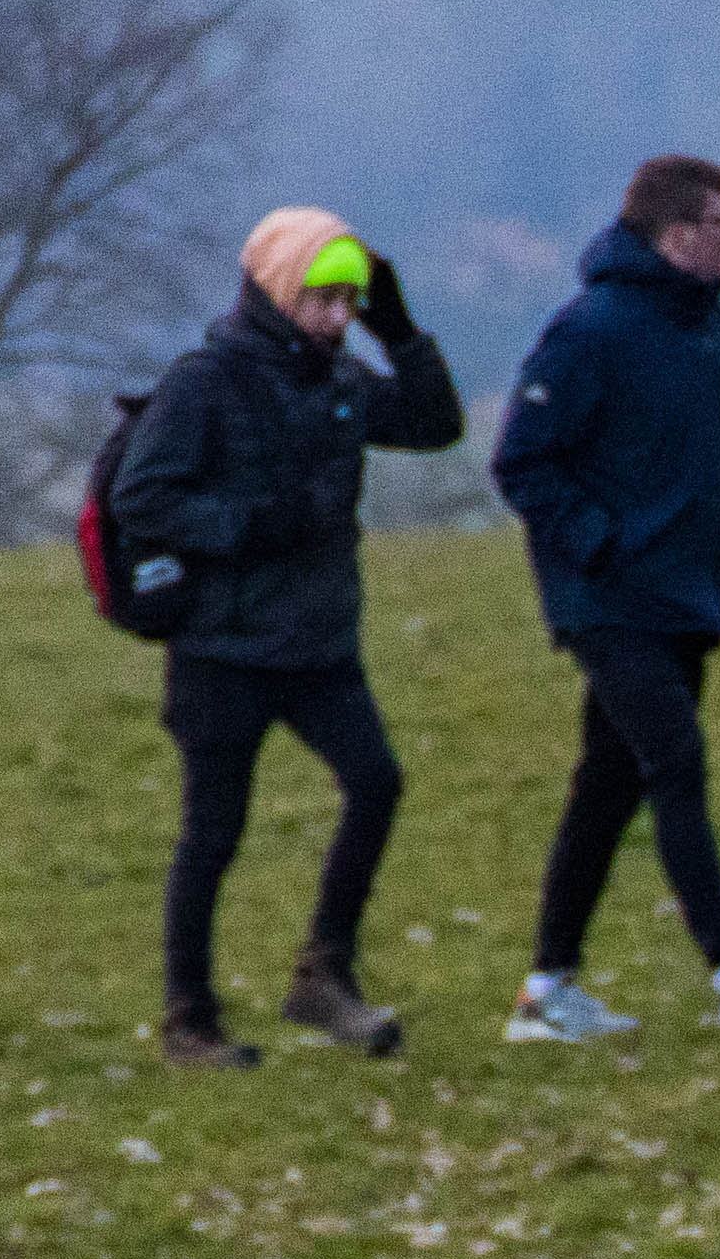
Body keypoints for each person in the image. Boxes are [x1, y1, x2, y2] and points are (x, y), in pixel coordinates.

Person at [107, 206, 466, 1067]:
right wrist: (253, 525)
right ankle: (190, 1022)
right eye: (322, 299)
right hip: (221, 650)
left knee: (376, 784)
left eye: (348, 301)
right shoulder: (205, 381)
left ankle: (323, 975)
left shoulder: (340, 380)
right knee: (213, 835)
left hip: (318, 646)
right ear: (274, 290)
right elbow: (140, 498)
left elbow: (433, 424)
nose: (338, 317)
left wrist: (402, 329)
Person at [492, 152, 720, 1041]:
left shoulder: (719, 333)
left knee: (606, 787)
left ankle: (547, 993)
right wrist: (601, 544)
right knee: (675, 762)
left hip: (687, 598)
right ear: (676, 237)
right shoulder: (589, 331)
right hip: (609, 601)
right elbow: (522, 460)